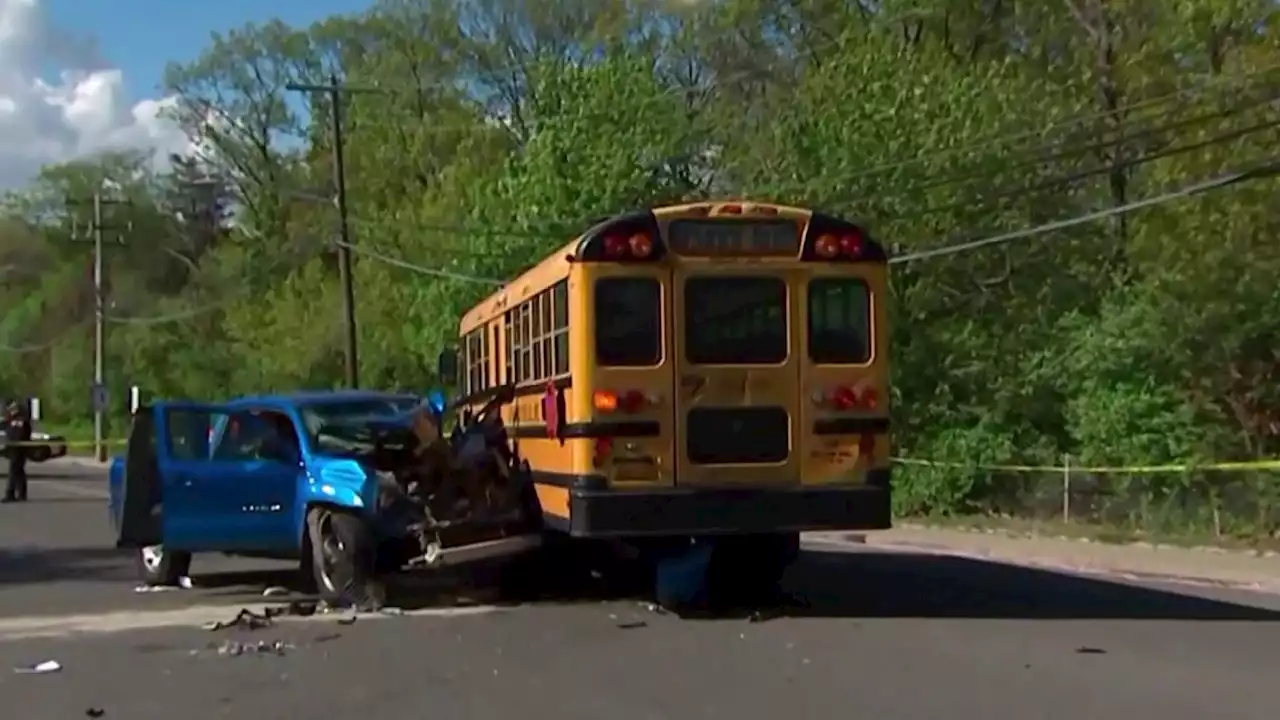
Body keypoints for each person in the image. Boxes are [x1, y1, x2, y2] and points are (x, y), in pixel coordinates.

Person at [3, 400, 31, 503]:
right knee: (19, 471)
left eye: (13, 409)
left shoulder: (21, 421)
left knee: (14, 470)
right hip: (13, 448)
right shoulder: (11, 420)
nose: (11, 410)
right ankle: (22, 494)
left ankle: (10, 494)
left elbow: (19, 434)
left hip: (19, 448)